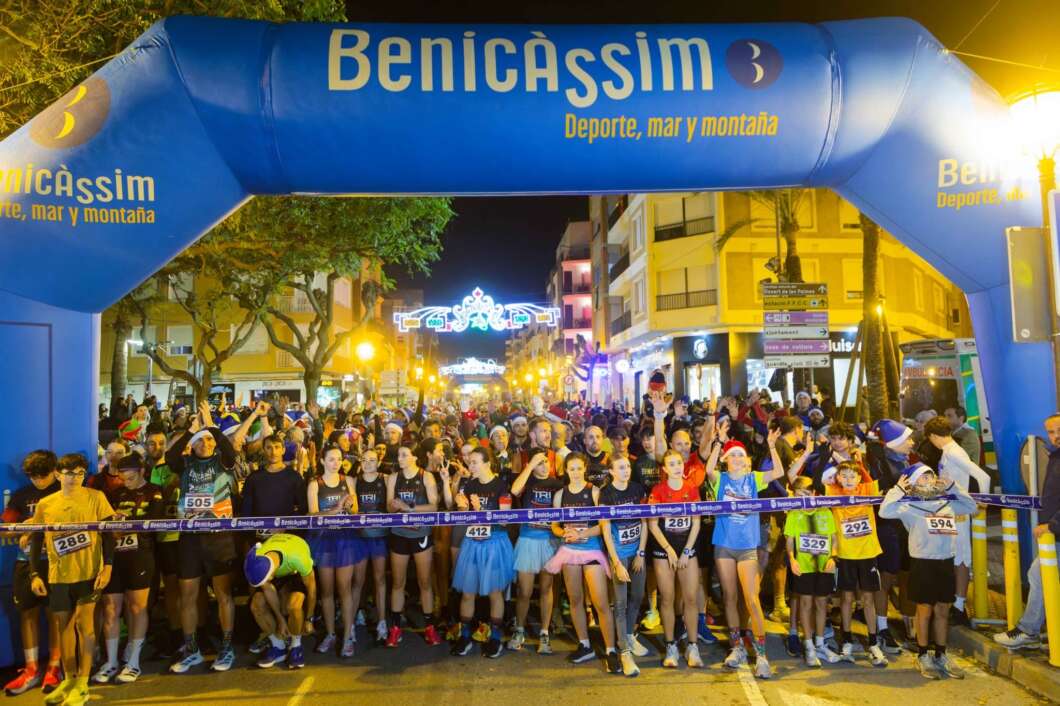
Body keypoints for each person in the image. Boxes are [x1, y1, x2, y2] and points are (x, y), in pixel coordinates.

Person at [704, 419, 790, 679]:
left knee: (751, 598)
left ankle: (761, 655)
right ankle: (737, 647)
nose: (737, 458)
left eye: (741, 455)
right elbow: (708, 469)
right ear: (726, 461)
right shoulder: (720, 479)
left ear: (747, 461)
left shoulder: (754, 480)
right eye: (732, 455)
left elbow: (778, 472)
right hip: (724, 546)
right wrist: (719, 442)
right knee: (729, 597)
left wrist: (772, 446)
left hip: (747, 547)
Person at [29, 453, 115, 706]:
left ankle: (83, 683)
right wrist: (34, 573)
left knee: (85, 626)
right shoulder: (46, 503)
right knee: (63, 627)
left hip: (89, 573)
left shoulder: (96, 497)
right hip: (58, 575)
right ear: (58, 475)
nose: (74, 478)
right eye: (69, 473)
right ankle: (68, 680)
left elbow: (109, 535)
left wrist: (107, 567)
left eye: (79, 473)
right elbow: (36, 538)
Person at [879, 462, 977, 679]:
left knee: (943, 610)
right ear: (913, 482)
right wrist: (898, 489)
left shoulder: (946, 502)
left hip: (946, 561)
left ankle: (941, 654)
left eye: (930, 475)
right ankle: (923, 654)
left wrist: (953, 487)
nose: (929, 479)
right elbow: (884, 511)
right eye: (923, 477)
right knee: (924, 610)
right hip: (923, 563)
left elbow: (972, 507)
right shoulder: (908, 506)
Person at [166, 401, 241, 674]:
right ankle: (192, 650)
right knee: (187, 595)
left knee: (223, 594)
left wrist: (210, 425)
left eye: (209, 440)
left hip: (219, 536)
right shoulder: (185, 464)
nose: (205, 444)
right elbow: (170, 457)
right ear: (192, 445)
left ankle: (227, 647)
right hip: (190, 537)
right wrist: (191, 430)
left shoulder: (223, 462)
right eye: (200, 440)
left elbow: (230, 449)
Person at [544, 453, 620, 673]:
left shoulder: (594, 492)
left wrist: (582, 533)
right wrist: (563, 532)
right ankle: (584, 645)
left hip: (592, 550)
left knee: (600, 602)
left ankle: (611, 650)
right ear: (566, 471)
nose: (575, 473)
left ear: (585, 469)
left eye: (579, 468)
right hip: (569, 552)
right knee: (575, 599)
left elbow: (604, 525)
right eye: (572, 469)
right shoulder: (560, 495)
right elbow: (555, 525)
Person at [93, 454, 164, 684]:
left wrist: (126, 523)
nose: (127, 483)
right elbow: (105, 523)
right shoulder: (115, 493)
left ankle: (133, 661)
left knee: (137, 607)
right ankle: (111, 661)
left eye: (131, 478)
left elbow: (155, 522)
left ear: (142, 471)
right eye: (123, 479)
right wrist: (114, 524)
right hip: (115, 556)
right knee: (111, 609)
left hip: (140, 555)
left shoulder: (154, 491)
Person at [994, 412, 1060, 649]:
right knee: (1038, 574)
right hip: (1055, 534)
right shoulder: (1055, 456)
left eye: (1059, 430)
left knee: (1039, 574)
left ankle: (1029, 630)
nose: (1055, 436)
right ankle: (1037, 630)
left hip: (1056, 532)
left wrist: (1052, 525)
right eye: (1051, 432)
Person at [2, 450, 62, 696]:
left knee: (55, 615)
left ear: (55, 471)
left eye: (42, 476)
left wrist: (39, 527)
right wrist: (22, 527)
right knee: (27, 614)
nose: (37, 481)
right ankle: (31, 668)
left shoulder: (65, 491)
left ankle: (55, 667)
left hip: (56, 561)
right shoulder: (21, 495)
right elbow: (5, 526)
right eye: (32, 477)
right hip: (25, 561)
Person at [449, 447, 515, 659]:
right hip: (473, 544)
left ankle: (495, 638)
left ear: (487, 463)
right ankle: (465, 636)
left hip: (495, 544)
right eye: (469, 462)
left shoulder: (501, 486)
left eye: (475, 462)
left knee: (495, 593)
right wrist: (463, 508)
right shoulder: (470, 485)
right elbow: (465, 516)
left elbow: (504, 521)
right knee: (468, 592)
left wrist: (481, 511)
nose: (470, 466)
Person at [924, 415, 991, 626]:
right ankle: (956, 603)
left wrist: (982, 502)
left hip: (959, 513)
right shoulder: (950, 451)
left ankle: (959, 607)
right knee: (955, 557)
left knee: (962, 558)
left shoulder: (953, 452)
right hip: (951, 512)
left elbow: (983, 476)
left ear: (933, 436)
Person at [825, 461, 888, 667]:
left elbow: (874, 477)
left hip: (868, 553)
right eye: (844, 476)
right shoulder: (833, 492)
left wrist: (860, 464)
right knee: (846, 599)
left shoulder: (867, 490)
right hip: (845, 554)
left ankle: (873, 642)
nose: (849, 479)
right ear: (838, 478)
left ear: (860, 478)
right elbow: (820, 481)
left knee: (868, 599)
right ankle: (847, 641)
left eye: (853, 476)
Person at [647, 448, 702, 669]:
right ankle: (670, 646)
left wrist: (687, 550)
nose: (677, 467)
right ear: (665, 469)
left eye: (679, 463)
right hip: (664, 549)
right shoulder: (658, 490)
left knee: (691, 598)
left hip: (687, 547)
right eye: (671, 464)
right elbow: (652, 524)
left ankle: (693, 646)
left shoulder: (691, 488)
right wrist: (669, 549)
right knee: (667, 598)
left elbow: (696, 521)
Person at [385, 445, 443, 647]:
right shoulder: (394, 477)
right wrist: (394, 507)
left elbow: (434, 506)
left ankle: (429, 628)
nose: (400, 458)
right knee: (397, 583)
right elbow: (389, 507)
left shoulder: (426, 476)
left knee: (425, 582)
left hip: (420, 534)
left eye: (404, 455)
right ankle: (395, 629)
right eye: (398, 455)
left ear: (415, 457)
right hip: (399, 534)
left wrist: (408, 508)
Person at [509, 446, 563, 653]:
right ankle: (519, 630)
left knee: (547, 588)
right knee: (524, 591)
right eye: (539, 462)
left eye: (546, 461)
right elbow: (515, 491)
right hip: (528, 540)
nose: (544, 466)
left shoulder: (557, 484)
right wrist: (530, 466)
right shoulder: (527, 481)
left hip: (549, 541)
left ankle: (544, 633)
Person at [308, 445, 359, 657]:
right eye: (331, 459)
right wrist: (335, 510)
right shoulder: (315, 484)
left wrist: (350, 506)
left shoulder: (349, 481)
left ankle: (347, 636)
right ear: (322, 461)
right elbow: (312, 515)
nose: (336, 463)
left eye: (339, 459)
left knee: (344, 590)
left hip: (345, 541)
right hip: (324, 541)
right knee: (327, 591)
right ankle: (330, 634)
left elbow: (355, 512)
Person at [599, 456, 648, 676]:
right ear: (611, 471)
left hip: (637, 552)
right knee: (620, 603)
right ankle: (624, 652)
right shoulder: (606, 494)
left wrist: (641, 553)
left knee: (637, 596)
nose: (626, 470)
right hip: (618, 554)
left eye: (628, 466)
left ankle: (628, 634)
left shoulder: (637, 489)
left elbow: (645, 521)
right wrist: (616, 562)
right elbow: (605, 529)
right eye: (621, 467)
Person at [784, 475, 839, 668]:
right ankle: (808, 646)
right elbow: (789, 541)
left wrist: (833, 557)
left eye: (807, 494)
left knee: (822, 604)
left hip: (824, 566)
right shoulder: (793, 514)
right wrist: (792, 560)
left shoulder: (825, 511)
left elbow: (834, 539)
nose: (803, 499)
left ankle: (820, 644)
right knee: (805, 604)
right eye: (799, 495)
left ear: (814, 493)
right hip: (804, 566)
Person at [245, 533, 318, 670]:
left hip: (294, 570)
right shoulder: (258, 556)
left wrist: (309, 618)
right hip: (278, 568)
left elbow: (312, 588)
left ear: (270, 575)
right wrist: (280, 620)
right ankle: (278, 645)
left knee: (294, 605)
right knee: (256, 604)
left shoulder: (298, 558)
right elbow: (268, 590)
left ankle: (296, 645)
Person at [352, 448, 391, 646]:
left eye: (372, 460)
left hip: (379, 537)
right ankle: (351, 622)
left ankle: (382, 622)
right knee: (358, 581)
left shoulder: (386, 479)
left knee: (379, 579)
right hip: (360, 537)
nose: (368, 463)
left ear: (379, 462)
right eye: (364, 460)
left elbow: (392, 506)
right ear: (360, 462)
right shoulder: (354, 481)